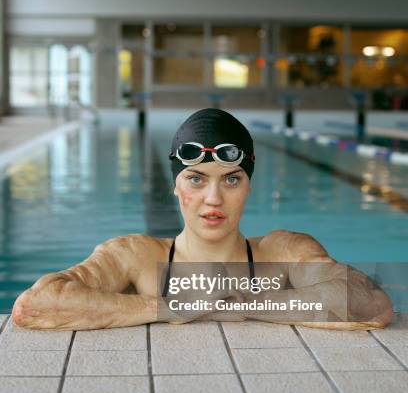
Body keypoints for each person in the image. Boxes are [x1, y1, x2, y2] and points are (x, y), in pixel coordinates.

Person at [12, 108, 393, 331]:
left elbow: (370, 303)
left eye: (231, 179)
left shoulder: (283, 249)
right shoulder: (136, 256)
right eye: (196, 179)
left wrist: (237, 301)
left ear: (248, 186)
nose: (213, 198)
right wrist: (167, 306)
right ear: (176, 187)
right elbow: (36, 303)